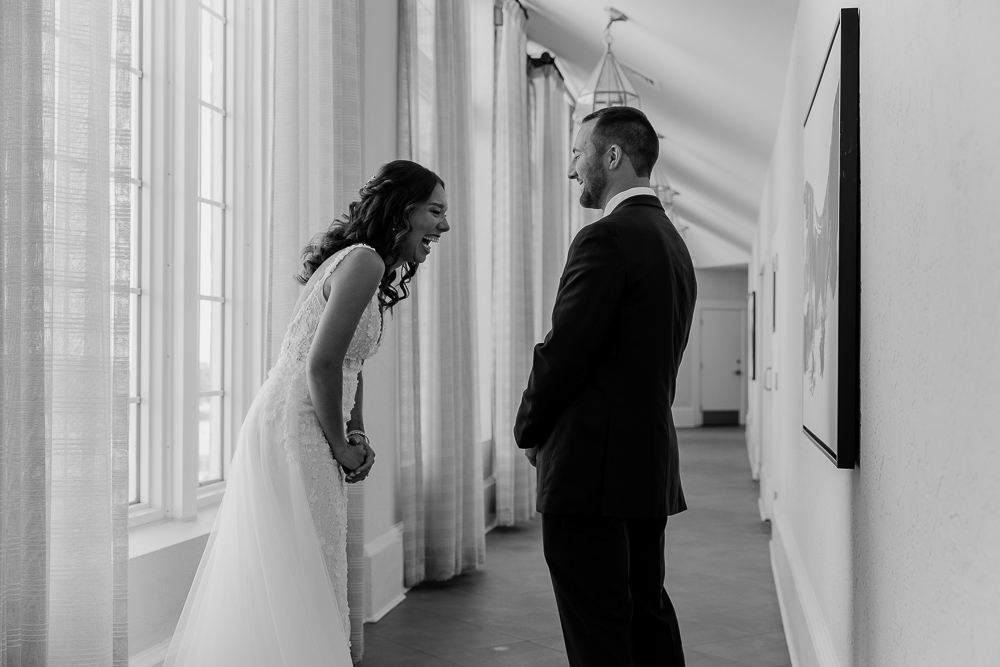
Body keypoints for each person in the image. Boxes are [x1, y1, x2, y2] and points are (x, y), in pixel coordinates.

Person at [164, 160, 450, 666]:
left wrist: (355, 431)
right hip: (296, 426)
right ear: (405, 211)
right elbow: (320, 364)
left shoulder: (364, 262)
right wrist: (341, 444)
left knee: (303, 574)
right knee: (306, 572)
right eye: (436, 211)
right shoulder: (363, 261)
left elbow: (350, 365)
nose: (443, 227)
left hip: (304, 420)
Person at [513, 106, 697, 667]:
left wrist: (528, 429)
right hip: (645, 464)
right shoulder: (672, 242)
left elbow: (564, 353)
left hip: (592, 471)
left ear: (611, 156)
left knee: (598, 631)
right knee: (646, 613)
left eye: (576, 153)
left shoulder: (606, 238)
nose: (573, 169)